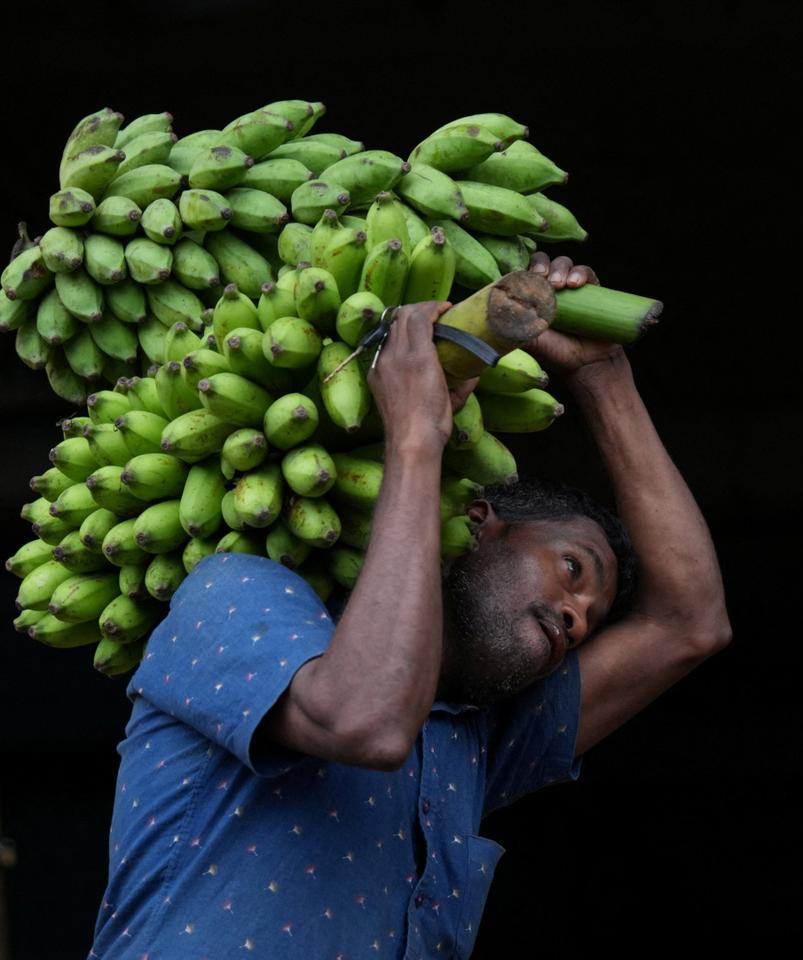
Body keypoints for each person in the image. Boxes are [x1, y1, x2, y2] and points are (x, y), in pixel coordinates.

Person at [86, 253, 731, 958]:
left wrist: (603, 378)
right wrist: (418, 437)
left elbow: (688, 625)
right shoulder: (236, 592)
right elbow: (368, 721)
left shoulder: (474, 739)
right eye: (572, 571)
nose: (575, 620)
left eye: (588, 624)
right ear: (481, 520)